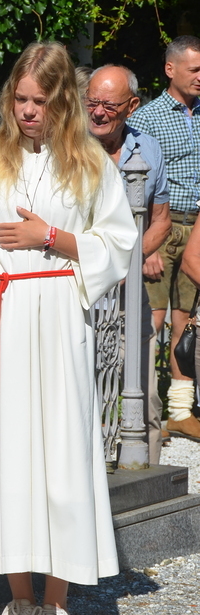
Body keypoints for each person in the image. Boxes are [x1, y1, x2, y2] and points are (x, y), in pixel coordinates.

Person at [0, 42, 137, 615]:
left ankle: (57, 597)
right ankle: (20, 596)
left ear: (63, 101)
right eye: (20, 99)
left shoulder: (90, 164)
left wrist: (52, 238)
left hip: (60, 316)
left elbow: (119, 243)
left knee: (61, 454)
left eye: (41, 100)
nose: (29, 111)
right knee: (8, 451)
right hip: (3, 316)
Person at [86, 64, 172, 462]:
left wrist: (125, 265)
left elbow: (162, 220)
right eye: (92, 102)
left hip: (128, 289)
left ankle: (145, 471)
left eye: (109, 105)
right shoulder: (65, 146)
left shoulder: (148, 149)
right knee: (80, 387)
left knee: (144, 392)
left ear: (132, 106)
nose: (98, 112)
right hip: (79, 287)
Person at [127, 35, 200, 440]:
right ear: (170, 69)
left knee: (185, 318)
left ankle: (180, 410)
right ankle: (140, 407)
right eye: (195, 69)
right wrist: (146, 245)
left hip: (197, 226)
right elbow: (135, 181)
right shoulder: (148, 117)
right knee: (151, 318)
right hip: (162, 224)